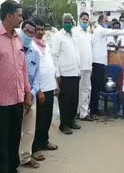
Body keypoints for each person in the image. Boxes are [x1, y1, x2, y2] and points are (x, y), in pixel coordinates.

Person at [0, 0, 32, 173]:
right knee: (1, 139)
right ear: (9, 16)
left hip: (18, 97)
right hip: (0, 99)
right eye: (19, 15)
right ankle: (3, 169)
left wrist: (27, 92)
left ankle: (13, 167)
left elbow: (23, 67)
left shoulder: (18, 37)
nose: (21, 18)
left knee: (14, 136)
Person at [90, 14, 124, 117]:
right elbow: (113, 31)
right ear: (100, 21)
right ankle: (93, 111)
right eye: (105, 21)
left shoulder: (100, 32)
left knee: (98, 87)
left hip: (101, 63)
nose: (107, 23)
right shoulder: (100, 30)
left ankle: (95, 110)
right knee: (96, 88)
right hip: (97, 63)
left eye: (107, 21)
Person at [31, 18, 59, 156]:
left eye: (42, 29)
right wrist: (39, 90)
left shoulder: (45, 45)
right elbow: (33, 71)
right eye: (38, 29)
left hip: (50, 86)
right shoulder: (31, 46)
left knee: (47, 117)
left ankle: (44, 141)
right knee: (38, 119)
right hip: (39, 89)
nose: (41, 32)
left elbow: (50, 65)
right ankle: (35, 147)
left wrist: (55, 83)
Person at [52, 13, 81, 135]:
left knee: (74, 99)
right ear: (62, 23)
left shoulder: (74, 35)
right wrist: (57, 74)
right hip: (64, 74)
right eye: (65, 22)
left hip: (75, 73)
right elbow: (55, 55)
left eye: (69, 22)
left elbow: (76, 54)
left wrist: (79, 71)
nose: (67, 24)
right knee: (65, 101)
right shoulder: (58, 36)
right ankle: (63, 125)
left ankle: (71, 121)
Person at [18, 21, 42, 168]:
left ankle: (25, 157)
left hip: (30, 97)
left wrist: (32, 93)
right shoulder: (15, 49)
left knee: (29, 130)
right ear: (21, 30)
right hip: (15, 97)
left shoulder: (35, 53)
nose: (28, 34)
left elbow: (38, 76)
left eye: (31, 32)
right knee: (14, 131)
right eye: (26, 31)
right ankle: (11, 159)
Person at [74, 12, 94, 121]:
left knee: (87, 90)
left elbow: (89, 50)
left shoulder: (88, 33)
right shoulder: (75, 31)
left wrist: (91, 64)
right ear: (79, 19)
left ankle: (84, 113)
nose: (85, 21)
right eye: (83, 19)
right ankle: (77, 112)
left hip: (88, 66)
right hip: (78, 66)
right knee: (78, 90)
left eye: (87, 19)